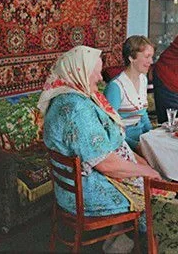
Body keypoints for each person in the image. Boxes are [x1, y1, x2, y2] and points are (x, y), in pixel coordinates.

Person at [38, 46, 162, 252]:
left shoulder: (65, 96)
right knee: (157, 197)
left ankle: (119, 243)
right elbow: (106, 165)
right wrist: (146, 171)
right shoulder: (76, 109)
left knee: (148, 178)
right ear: (78, 72)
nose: (100, 77)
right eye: (95, 72)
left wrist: (139, 163)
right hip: (85, 193)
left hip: (74, 186)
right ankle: (144, 245)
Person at [104, 36, 154, 152]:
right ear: (131, 57)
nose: (151, 61)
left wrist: (152, 135)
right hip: (123, 142)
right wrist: (136, 146)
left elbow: (143, 114)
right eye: (147, 57)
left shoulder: (143, 79)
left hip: (141, 137)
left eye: (151, 57)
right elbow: (111, 129)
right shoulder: (116, 87)